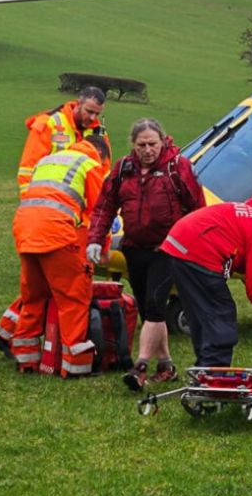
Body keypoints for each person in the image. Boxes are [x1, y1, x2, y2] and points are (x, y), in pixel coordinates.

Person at [86, 118, 206, 391]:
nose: (147, 150)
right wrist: (95, 239)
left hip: (167, 249)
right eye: (141, 145)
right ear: (133, 145)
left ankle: (139, 367)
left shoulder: (179, 167)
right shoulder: (123, 169)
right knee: (148, 309)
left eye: (152, 144)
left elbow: (198, 208)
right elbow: (105, 206)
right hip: (134, 248)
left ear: (163, 141)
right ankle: (165, 365)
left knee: (154, 305)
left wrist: (194, 246)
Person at [159, 195, 252, 368]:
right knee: (221, 315)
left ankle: (205, 370)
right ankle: (214, 374)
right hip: (198, 252)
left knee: (203, 318)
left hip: (181, 245)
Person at [10, 135, 111, 377]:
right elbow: (99, 211)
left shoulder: (49, 160)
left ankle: (26, 360)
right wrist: (102, 249)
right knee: (73, 297)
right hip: (55, 231)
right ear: (102, 154)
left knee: (33, 296)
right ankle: (75, 366)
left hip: (24, 228)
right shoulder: (90, 164)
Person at [18, 87, 108, 196]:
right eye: (89, 111)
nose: (93, 118)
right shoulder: (49, 123)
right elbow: (27, 169)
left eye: (97, 114)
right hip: (49, 197)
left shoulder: (98, 132)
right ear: (78, 104)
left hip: (82, 204)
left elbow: (104, 172)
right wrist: (30, 200)